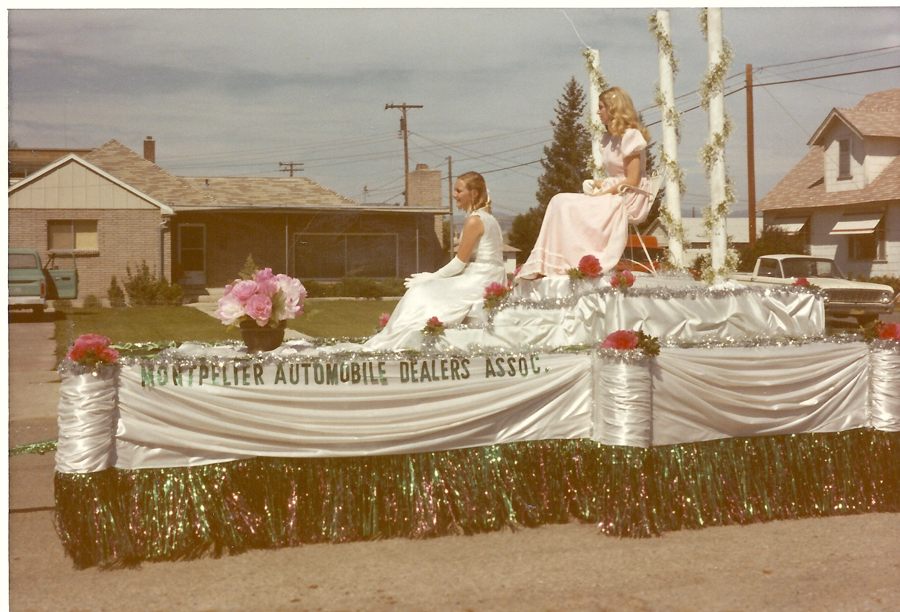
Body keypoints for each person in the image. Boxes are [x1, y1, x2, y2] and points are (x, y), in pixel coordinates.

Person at [516, 86, 654, 280]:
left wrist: (603, 193)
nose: (598, 112)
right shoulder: (609, 139)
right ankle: (551, 263)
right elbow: (616, 176)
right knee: (558, 200)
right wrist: (597, 184)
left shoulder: (631, 136)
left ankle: (572, 262)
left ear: (613, 109)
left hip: (630, 195)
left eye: (601, 107)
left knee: (567, 205)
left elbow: (632, 180)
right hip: (614, 191)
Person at [363, 171, 506, 350]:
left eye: (459, 191)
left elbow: (459, 263)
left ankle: (402, 338)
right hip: (487, 276)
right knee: (423, 292)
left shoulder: (475, 221)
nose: (454, 195)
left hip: (480, 278)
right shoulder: (489, 218)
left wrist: (432, 277)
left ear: (474, 193)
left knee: (419, 292)